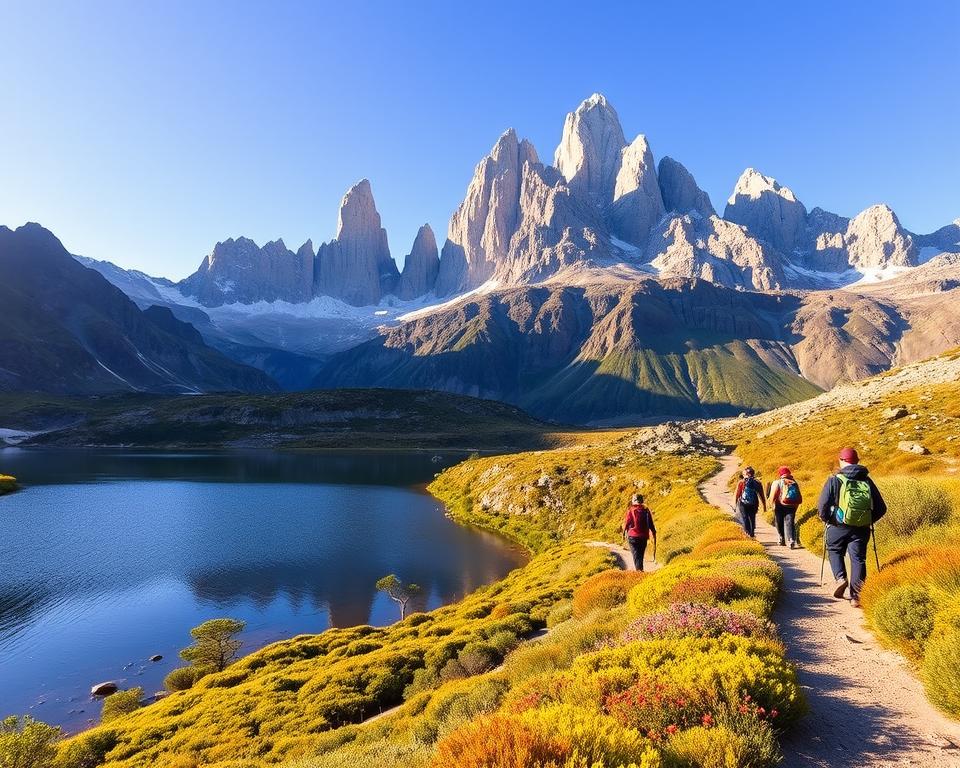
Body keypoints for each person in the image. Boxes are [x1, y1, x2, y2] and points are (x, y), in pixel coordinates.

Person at [816, 447, 887, 608]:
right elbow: (882, 508)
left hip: (837, 525)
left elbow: (822, 507)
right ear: (857, 461)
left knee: (834, 550)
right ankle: (857, 596)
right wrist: (867, 520)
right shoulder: (867, 481)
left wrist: (828, 519)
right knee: (858, 558)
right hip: (861, 528)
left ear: (841, 460)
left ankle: (840, 579)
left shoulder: (834, 480)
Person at [769, 466, 802, 548]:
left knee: (779, 522)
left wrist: (772, 506)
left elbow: (772, 496)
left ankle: (781, 538)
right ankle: (791, 540)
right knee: (790, 522)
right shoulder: (794, 482)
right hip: (792, 505)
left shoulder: (777, 482)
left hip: (779, 505)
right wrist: (795, 507)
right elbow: (798, 497)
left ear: (780, 474)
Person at [622, 493, 656, 571]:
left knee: (636, 555)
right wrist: (653, 532)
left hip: (632, 536)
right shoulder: (646, 510)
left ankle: (639, 572)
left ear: (633, 501)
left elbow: (627, 522)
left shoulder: (631, 510)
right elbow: (650, 523)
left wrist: (623, 533)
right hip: (643, 536)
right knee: (640, 555)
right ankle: (640, 571)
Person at [734, 466, 766, 538]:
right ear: (753, 474)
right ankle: (752, 533)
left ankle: (747, 533)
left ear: (745, 474)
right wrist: (764, 506)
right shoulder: (757, 483)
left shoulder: (741, 482)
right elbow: (761, 495)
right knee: (752, 517)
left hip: (743, 503)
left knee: (745, 518)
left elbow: (737, 494)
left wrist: (736, 504)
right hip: (754, 503)